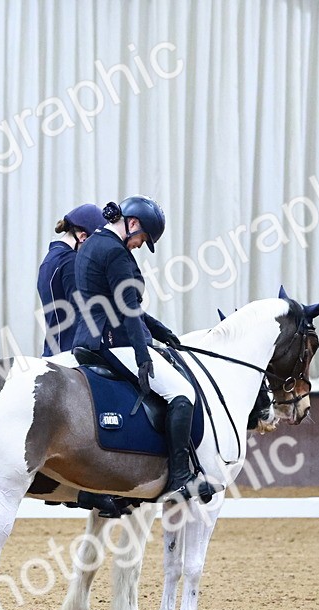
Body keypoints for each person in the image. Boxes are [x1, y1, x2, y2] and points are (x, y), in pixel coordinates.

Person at [72, 196, 215, 501]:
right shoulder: (117, 253)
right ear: (132, 223)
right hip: (115, 342)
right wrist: (142, 355)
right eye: (142, 239)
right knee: (182, 393)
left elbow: (117, 302)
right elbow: (129, 310)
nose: (139, 245)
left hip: (88, 338)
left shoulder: (92, 245)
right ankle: (179, 477)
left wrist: (161, 331)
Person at [36, 203, 107, 356]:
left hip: (52, 351)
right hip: (70, 356)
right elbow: (83, 311)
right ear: (82, 237)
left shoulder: (49, 260)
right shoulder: (71, 261)